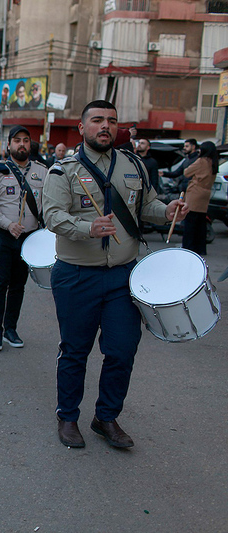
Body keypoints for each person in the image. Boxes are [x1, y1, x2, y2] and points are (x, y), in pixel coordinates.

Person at [43, 100, 188, 449]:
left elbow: (146, 205)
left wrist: (166, 210)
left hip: (123, 276)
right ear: (82, 128)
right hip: (77, 275)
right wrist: (86, 227)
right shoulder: (62, 171)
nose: (104, 126)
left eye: (111, 121)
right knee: (75, 350)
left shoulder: (134, 165)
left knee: (122, 350)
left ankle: (105, 417)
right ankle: (68, 417)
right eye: (96, 120)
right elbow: (51, 216)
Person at [0, 126, 47, 351]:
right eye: (17, 140)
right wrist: (8, 224)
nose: (22, 144)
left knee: (18, 285)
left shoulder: (42, 171)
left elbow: (46, 205)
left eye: (26, 141)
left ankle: (11, 328)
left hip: (29, 239)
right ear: (9, 145)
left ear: (31, 144)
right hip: (3, 236)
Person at [182, 141, 218, 256]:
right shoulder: (214, 162)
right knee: (201, 223)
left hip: (195, 192)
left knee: (190, 222)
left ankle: (188, 247)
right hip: (205, 193)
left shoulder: (201, 161)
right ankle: (200, 248)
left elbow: (186, 172)